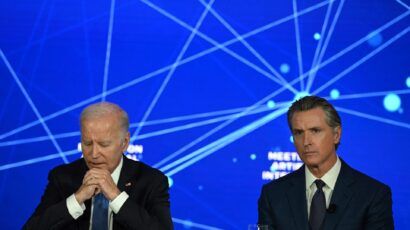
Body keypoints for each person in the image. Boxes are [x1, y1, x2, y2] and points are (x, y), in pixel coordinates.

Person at [24, 102, 173, 230]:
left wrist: (116, 197)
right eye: (87, 143)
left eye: (104, 144)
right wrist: (77, 198)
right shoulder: (62, 177)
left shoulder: (152, 181)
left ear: (125, 142)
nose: (94, 154)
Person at [258, 96, 394, 230]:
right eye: (299, 133)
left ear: (336, 135)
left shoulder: (373, 195)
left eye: (315, 131)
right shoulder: (273, 195)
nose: (306, 142)